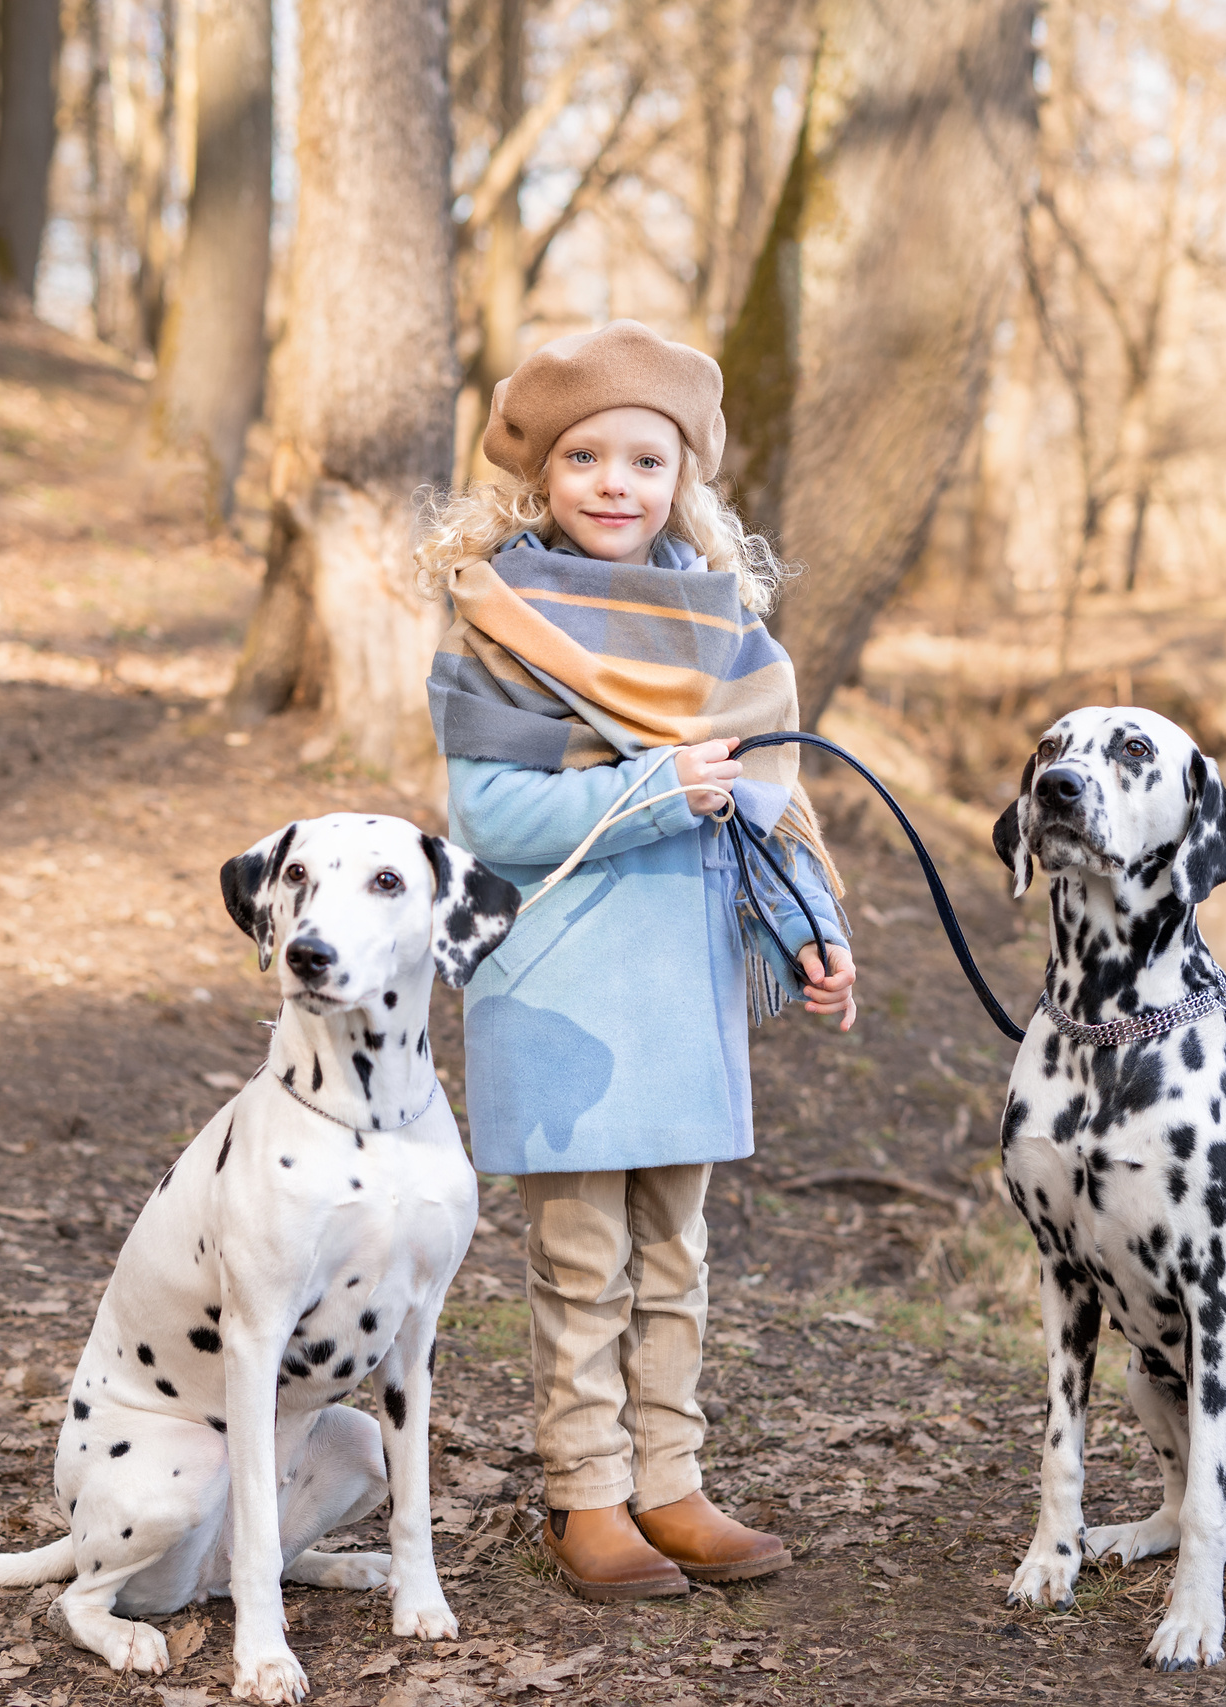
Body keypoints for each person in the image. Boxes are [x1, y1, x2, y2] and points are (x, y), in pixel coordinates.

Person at [418, 320, 856, 1602]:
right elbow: (492, 819)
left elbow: (771, 808)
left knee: (675, 1255)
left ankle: (670, 1485)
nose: (617, 482)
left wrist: (812, 932)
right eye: (587, 456)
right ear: (542, 477)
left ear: (686, 482)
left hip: (686, 985)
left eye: (646, 461)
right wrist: (664, 786)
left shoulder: (730, 638)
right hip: (560, 987)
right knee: (580, 1261)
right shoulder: (501, 618)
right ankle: (587, 1499)